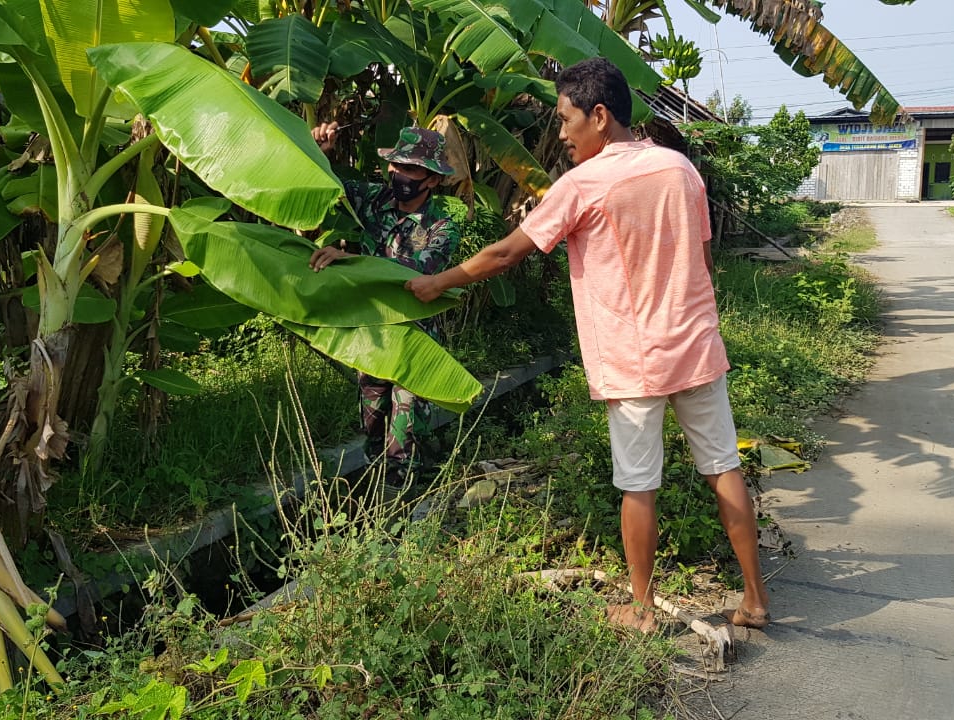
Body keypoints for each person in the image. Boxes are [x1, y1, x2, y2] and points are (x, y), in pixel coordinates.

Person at [405, 58, 770, 632]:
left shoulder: (583, 184)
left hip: (633, 360)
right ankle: (754, 600)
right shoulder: (680, 169)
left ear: (600, 116)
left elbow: (505, 254)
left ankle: (642, 610)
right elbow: (702, 260)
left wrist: (436, 282)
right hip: (696, 346)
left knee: (638, 484)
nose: (561, 133)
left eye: (566, 119)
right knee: (723, 467)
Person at [309, 123, 461, 486]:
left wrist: (348, 259)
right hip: (374, 333)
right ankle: (374, 498)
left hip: (414, 338)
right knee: (373, 424)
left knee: (405, 432)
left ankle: (403, 505)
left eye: (410, 169)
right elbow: (326, 183)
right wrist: (322, 151)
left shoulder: (442, 227)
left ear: (432, 180)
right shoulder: (374, 200)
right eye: (396, 165)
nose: (399, 174)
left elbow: (411, 273)